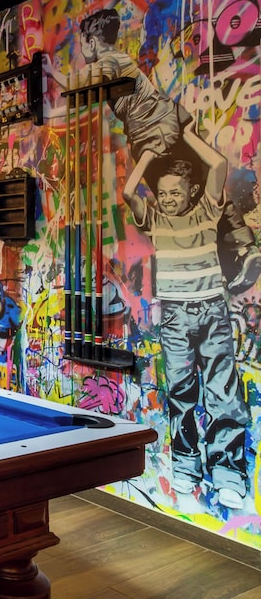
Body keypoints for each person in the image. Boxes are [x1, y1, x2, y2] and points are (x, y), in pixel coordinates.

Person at [78, 8, 261, 295]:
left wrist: (52, 77)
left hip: (152, 137)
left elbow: (77, 91)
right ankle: (244, 249)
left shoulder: (106, 63)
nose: (81, 50)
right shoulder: (122, 60)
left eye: (81, 43)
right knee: (205, 191)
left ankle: (231, 263)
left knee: (187, 203)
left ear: (91, 41)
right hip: (173, 119)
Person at [122, 120, 249, 510]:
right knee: (180, 392)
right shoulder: (156, 220)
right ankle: (186, 465)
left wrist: (188, 135)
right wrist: (149, 155)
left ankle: (228, 473)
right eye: (162, 193)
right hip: (175, 316)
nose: (167, 199)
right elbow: (128, 191)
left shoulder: (208, 211)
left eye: (175, 192)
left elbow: (218, 165)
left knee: (222, 393)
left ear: (193, 192)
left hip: (212, 311)